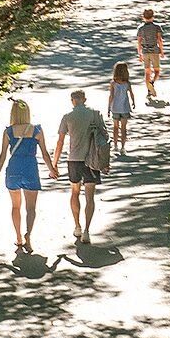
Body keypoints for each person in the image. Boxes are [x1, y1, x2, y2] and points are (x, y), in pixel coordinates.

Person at [0, 99, 58, 253]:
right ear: (27, 113)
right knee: (31, 208)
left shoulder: (8, 132)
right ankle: (28, 234)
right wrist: (52, 170)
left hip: (13, 169)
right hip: (30, 168)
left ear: (13, 114)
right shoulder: (36, 130)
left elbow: (3, 154)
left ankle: (18, 237)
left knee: (15, 206)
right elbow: (44, 152)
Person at [53, 90, 106, 244]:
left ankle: (77, 226)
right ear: (85, 99)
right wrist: (105, 162)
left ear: (72, 101)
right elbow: (104, 139)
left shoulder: (67, 117)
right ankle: (87, 231)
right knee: (90, 196)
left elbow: (60, 142)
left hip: (74, 160)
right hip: (92, 159)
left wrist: (54, 163)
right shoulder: (95, 114)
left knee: (75, 192)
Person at [107, 61, 136, 157]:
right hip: (125, 108)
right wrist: (133, 102)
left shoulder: (113, 83)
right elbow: (131, 94)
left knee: (115, 127)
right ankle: (123, 147)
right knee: (123, 129)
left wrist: (108, 108)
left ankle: (115, 145)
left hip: (115, 108)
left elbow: (111, 96)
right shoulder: (127, 83)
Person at [136, 8, 165, 99]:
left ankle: (148, 90)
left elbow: (139, 42)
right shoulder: (157, 27)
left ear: (143, 17)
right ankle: (152, 83)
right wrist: (162, 51)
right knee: (157, 71)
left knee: (147, 72)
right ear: (153, 17)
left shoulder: (140, 28)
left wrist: (139, 54)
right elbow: (159, 40)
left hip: (145, 52)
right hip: (154, 51)